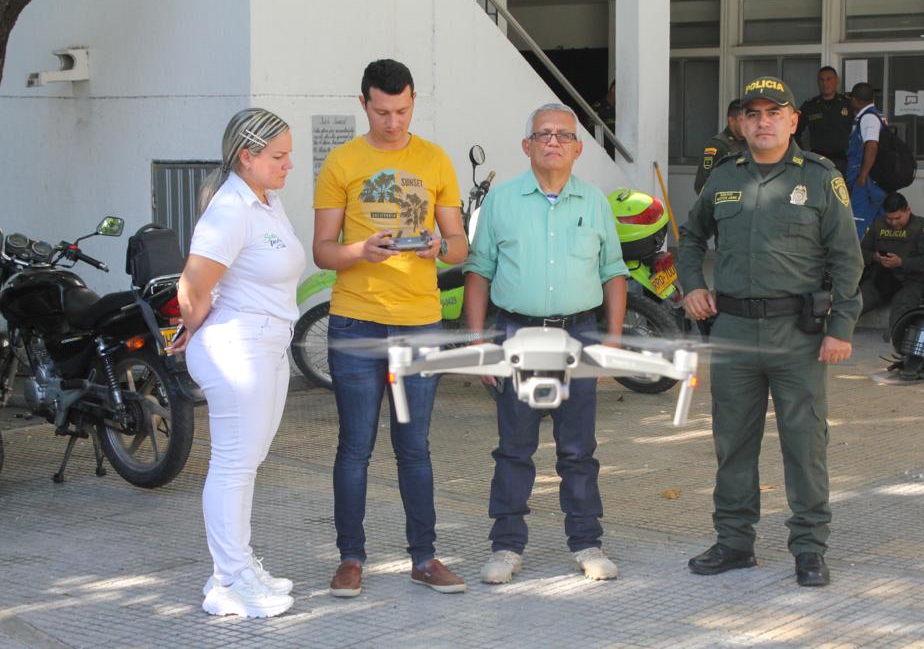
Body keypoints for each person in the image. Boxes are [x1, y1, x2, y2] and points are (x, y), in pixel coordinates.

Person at [678, 77, 862, 588]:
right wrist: (691, 285)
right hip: (733, 331)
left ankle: (808, 548)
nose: (762, 121)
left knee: (805, 445)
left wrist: (841, 327)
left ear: (792, 120)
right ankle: (734, 543)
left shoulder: (821, 179)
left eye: (773, 112)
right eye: (752, 113)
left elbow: (848, 259)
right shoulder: (723, 177)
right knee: (732, 444)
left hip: (797, 336)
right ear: (741, 121)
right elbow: (690, 237)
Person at [311, 59, 469, 597]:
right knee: (355, 446)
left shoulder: (435, 158)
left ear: (413, 102)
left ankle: (424, 558)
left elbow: (460, 245)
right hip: (356, 323)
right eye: (382, 111)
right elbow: (323, 251)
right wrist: (362, 250)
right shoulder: (341, 161)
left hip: (420, 324)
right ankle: (350, 559)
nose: (393, 122)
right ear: (364, 105)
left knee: (415, 448)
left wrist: (437, 248)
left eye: (402, 110)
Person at [464, 103, 628, 584]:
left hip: (578, 333)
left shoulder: (595, 202)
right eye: (543, 134)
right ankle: (506, 547)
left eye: (563, 135)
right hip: (519, 333)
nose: (553, 141)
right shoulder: (502, 200)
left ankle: (587, 542)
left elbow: (613, 272)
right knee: (515, 447)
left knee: (578, 449)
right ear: (527, 146)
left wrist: (613, 339)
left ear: (578, 147)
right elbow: (479, 271)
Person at [173, 108, 303, 618]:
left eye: (289, 153)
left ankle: (238, 567)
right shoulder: (230, 209)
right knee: (232, 465)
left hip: (269, 343)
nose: (289, 163)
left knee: (247, 462)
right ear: (246, 158)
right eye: (278, 156)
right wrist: (196, 328)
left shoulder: (266, 201)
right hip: (237, 346)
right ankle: (228, 581)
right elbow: (192, 287)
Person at [859, 192, 924, 333]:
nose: (893, 223)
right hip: (881, 279)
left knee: (898, 322)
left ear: (908, 210)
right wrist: (874, 257)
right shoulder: (878, 225)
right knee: (855, 303)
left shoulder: (922, 229)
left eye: (897, 218)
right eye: (889, 219)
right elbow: (860, 252)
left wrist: (901, 262)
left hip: (910, 282)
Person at [846, 82, 888, 239]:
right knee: (878, 223)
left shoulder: (868, 117)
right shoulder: (876, 115)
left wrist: (863, 176)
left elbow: (871, 145)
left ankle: (856, 262)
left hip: (867, 181)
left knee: (857, 224)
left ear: (855, 100)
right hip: (874, 180)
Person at [796, 66, 854, 175]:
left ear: (837, 81)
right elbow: (794, 131)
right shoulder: (810, 106)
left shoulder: (848, 104)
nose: (825, 83)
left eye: (829, 79)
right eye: (821, 80)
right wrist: (802, 154)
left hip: (842, 161)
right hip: (817, 160)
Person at [693, 98, 746, 193]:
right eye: (743, 120)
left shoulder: (752, 144)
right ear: (732, 121)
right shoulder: (716, 146)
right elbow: (702, 185)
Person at [589, 80, 616, 156]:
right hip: (603, 154)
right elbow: (592, 132)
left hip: (617, 154)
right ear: (613, 89)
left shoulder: (619, 110)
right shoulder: (598, 108)